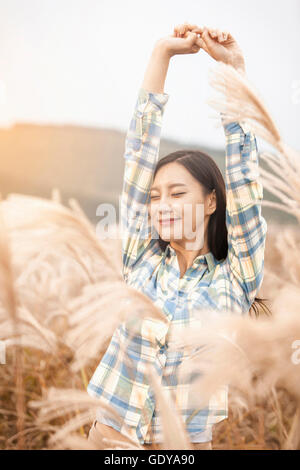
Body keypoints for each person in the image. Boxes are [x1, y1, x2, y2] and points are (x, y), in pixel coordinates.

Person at [87, 23, 269, 451]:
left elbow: (244, 174)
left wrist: (235, 71)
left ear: (210, 202)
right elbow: (139, 152)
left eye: (177, 192)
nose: (161, 204)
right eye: (154, 196)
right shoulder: (141, 261)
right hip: (108, 441)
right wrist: (160, 55)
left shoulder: (236, 276)